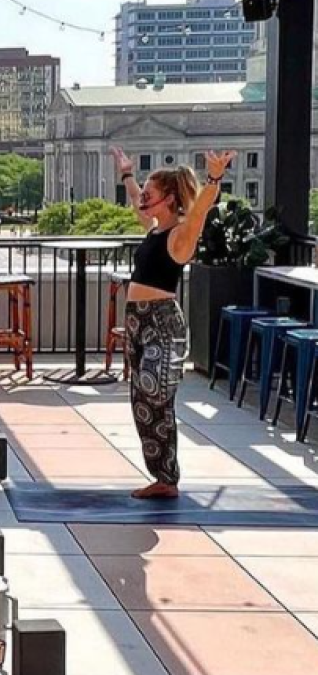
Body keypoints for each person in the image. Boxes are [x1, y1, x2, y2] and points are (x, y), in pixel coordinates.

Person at [112, 146, 235, 499]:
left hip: (163, 326)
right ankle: (165, 479)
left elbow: (199, 213)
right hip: (137, 323)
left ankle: (168, 477)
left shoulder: (180, 236)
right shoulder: (152, 228)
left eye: (150, 194)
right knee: (144, 405)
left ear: (168, 198)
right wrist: (126, 173)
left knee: (154, 391)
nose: (142, 198)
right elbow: (135, 196)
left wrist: (213, 178)